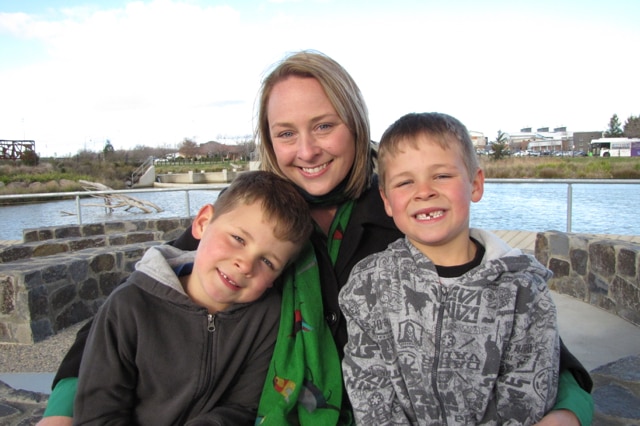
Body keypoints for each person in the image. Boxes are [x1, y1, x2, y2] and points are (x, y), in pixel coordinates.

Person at [38, 50, 593, 426]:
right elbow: (142, 297)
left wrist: (569, 410)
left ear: (355, 122)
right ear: (269, 140)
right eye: (286, 133)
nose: (306, 151)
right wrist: (63, 408)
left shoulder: (406, 210)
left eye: (324, 125)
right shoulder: (252, 221)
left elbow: (514, 318)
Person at [339, 112, 560, 424]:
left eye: (441, 176)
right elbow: (370, 391)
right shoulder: (367, 286)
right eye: (405, 182)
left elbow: (526, 400)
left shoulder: (524, 290)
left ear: (475, 184)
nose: (424, 191)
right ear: (387, 202)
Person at [73, 171, 313, 425]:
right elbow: (97, 414)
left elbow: (244, 406)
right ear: (203, 223)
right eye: (238, 239)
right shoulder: (129, 306)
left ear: (277, 276)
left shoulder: (267, 318)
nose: (245, 264)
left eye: (267, 261)